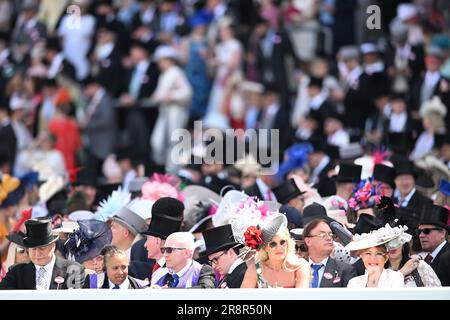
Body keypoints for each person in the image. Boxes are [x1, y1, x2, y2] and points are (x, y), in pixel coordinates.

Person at [0, 219, 85, 289]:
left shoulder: (73, 270)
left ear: (53, 246)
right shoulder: (16, 271)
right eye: (33, 249)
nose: (37, 253)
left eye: (42, 248)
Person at [239, 213, 311, 288]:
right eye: (273, 244)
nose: (279, 248)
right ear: (265, 248)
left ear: (288, 243)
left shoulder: (300, 267)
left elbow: (302, 297)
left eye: (283, 242)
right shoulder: (255, 270)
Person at [150, 232, 215, 288]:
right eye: (164, 250)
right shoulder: (159, 273)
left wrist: (167, 292)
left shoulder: (202, 271)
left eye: (169, 250)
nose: (165, 255)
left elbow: (205, 291)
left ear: (186, 253)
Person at [303, 218, 356, 287]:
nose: (329, 238)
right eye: (322, 235)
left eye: (330, 234)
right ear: (308, 241)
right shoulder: (295, 268)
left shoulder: (345, 270)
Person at [64, 220, 112, 288]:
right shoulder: (70, 283)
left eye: (99, 258)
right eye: (89, 258)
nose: (95, 262)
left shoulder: (112, 280)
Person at [202, 224, 246, 288]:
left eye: (216, 259)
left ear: (231, 253)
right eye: (211, 261)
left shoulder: (243, 274)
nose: (213, 266)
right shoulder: (231, 276)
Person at [142, 213, 182, 279]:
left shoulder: (172, 270)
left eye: (148, 239)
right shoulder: (162, 267)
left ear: (158, 241)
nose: (145, 245)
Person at [417, 203, 450, 285]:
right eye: (419, 231)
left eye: (426, 231)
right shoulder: (426, 259)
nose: (421, 235)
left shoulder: (448, 257)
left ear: (442, 233)